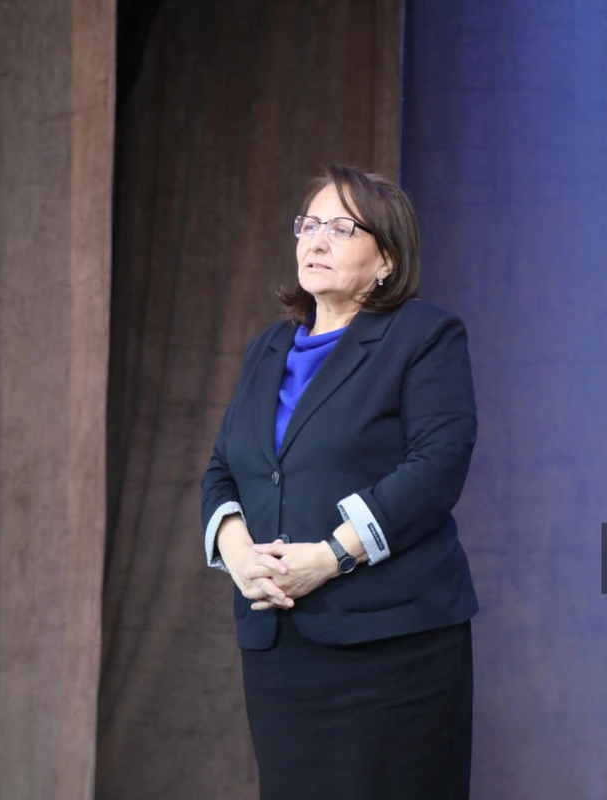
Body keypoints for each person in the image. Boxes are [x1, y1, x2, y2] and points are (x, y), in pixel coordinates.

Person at [201, 165, 479, 800]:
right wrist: (240, 557)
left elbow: (438, 465)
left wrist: (330, 557)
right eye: (309, 225)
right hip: (281, 643)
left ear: (386, 260)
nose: (316, 240)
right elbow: (225, 468)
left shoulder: (423, 336)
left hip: (391, 646)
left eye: (341, 228)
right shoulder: (267, 349)